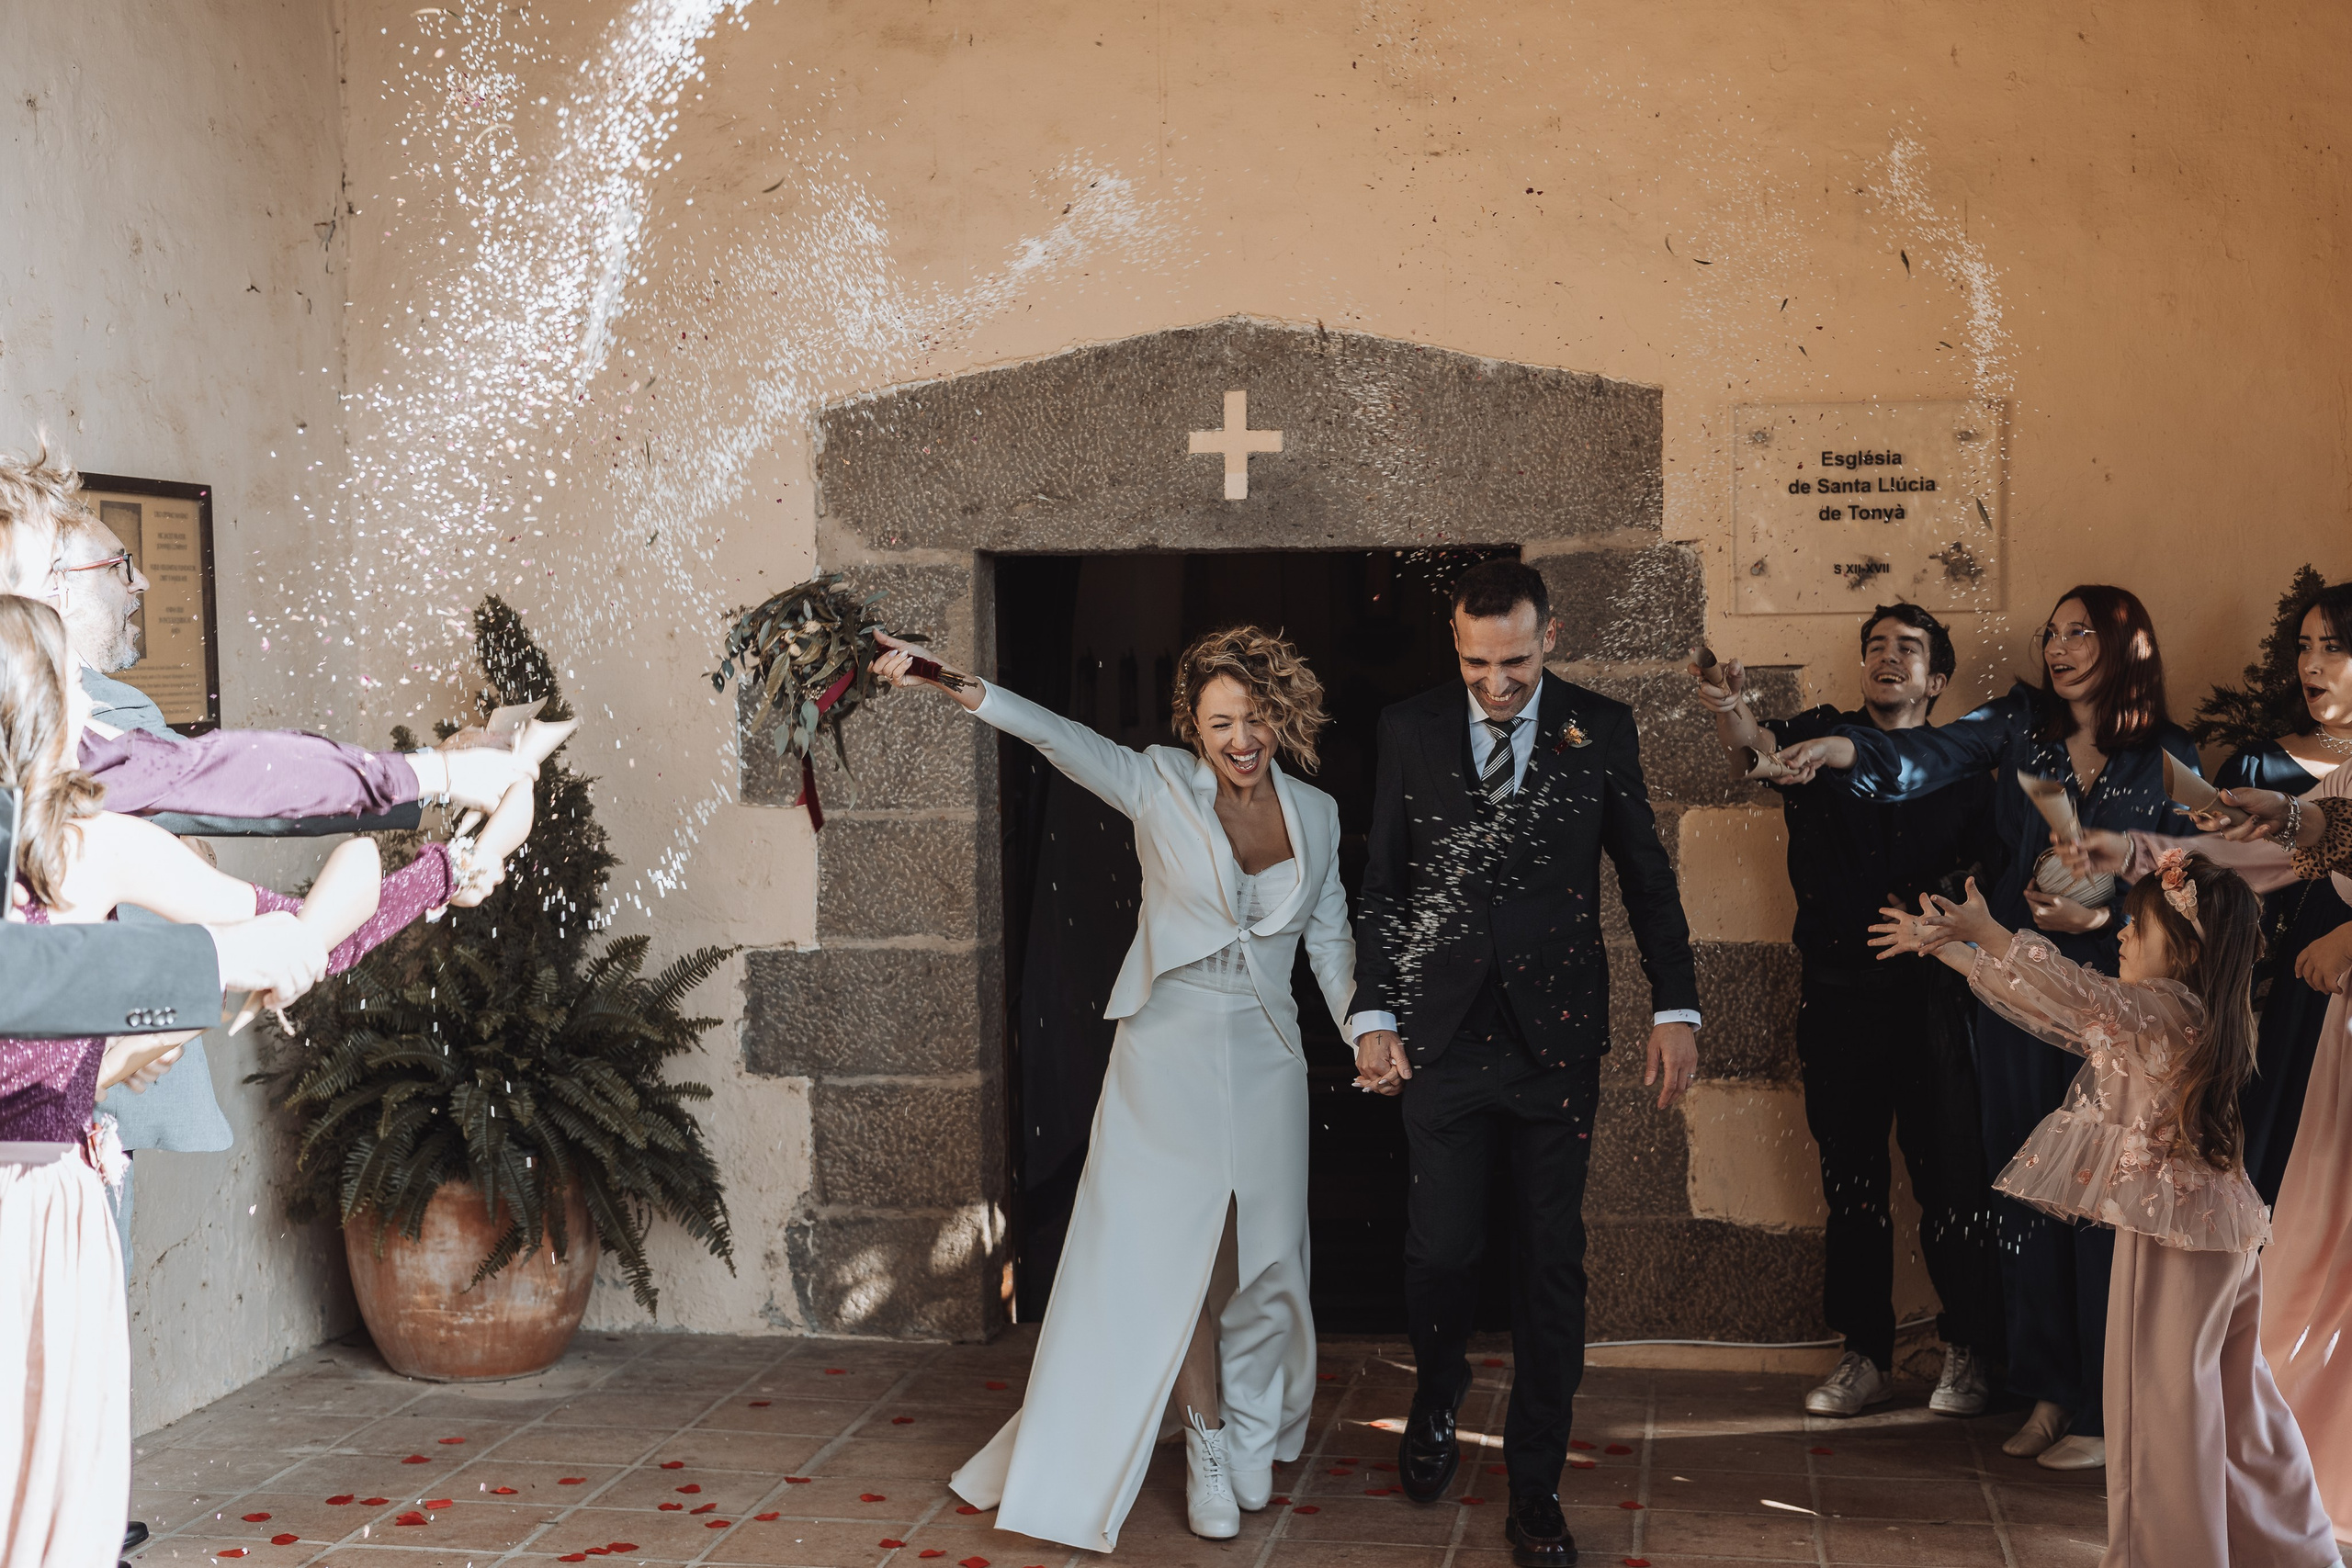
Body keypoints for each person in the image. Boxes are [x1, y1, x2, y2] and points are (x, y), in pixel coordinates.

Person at [0, 593, 539, 1568]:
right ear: (39, 715)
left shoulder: (98, 847)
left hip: (45, 1232)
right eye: (74, 689)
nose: (97, 712)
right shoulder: (88, 846)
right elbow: (279, 943)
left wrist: (449, 862)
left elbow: (293, 935)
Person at [876, 626, 1360, 1550]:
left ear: (1280, 714)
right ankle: (1209, 1442)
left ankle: (1255, 1431)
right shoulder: (1156, 784)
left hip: (1269, 1056)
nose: (1241, 738)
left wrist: (1364, 1030)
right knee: (1168, 1260)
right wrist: (952, 683)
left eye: (1255, 717)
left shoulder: (1319, 813)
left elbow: (1329, 942)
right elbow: (1057, 736)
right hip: (1166, 1048)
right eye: (1220, 722)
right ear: (1194, 727)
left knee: (1263, 1260)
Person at [1774, 584, 2200, 1471]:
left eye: (2082, 631)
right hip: (2011, 985)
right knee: (2029, 1182)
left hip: (2117, 995)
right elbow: (1920, 757)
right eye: (2053, 631)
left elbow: (2191, 883)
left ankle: (2103, 1398)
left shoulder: (2169, 754)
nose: (2060, 645)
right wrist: (1841, 745)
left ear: (2129, 644)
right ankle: (2046, 1386)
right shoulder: (2016, 727)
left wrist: (2110, 915)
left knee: (2105, 1186)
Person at [1350, 558, 1699, 1568]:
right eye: (1474, 663)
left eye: (1512, 661)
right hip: (1444, 1040)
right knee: (1441, 1253)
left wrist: (1674, 1005)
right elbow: (1383, 881)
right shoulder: (1409, 728)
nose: (1494, 684)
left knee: (1549, 1266)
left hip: (1557, 1046)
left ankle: (1535, 1486)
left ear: (1551, 634)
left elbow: (1645, 877)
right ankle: (1437, 1390)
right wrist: (1374, 1008)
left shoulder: (1602, 727)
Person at [1873, 855, 2338, 1567]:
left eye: (2135, 924)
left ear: (2184, 949)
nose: (2120, 932)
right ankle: (2288, 1548)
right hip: (2189, 1229)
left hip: (2181, 1235)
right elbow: (2055, 1007)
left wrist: (1996, 935)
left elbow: (2085, 995)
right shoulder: (2167, 1013)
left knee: (2163, 1407)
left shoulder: (2172, 1008)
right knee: (2234, 1402)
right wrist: (1955, 949)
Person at [1692, 604, 2003, 1419]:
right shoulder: (1822, 734)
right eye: (1876, 646)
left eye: (1908, 649)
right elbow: (1757, 755)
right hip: (1837, 1000)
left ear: (1937, 679)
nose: (1887, 657)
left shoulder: (1966, 767)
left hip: (1936, 1000)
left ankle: (1969, 1348)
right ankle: (1864, 1353)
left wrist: (1935, 929)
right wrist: (1730, 707)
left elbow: (1989, 882)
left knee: (1953, 1183)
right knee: (1853, 1185)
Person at [2214, 582, 2352, 1202]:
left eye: (2334, 647)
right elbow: (2281, 853)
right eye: (2304, 646)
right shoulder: (2338, 772)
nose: (2311, 664)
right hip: (2312, 992)